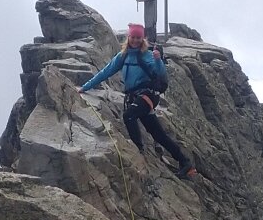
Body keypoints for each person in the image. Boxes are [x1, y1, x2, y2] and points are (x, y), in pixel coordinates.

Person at [79, 24, 198, 178]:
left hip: (148, 94)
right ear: (128, 37)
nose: (135, 40)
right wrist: (85, 87)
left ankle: (138, 150)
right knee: (158, 134)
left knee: (129, 115)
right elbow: (105, 72)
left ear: (142, 39)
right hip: (135, 97)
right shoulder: (123, 56)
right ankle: (185, 162)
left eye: (138, 37)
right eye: (133, 37)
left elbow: (160, 73)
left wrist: (158, 60)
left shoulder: (148, 55)